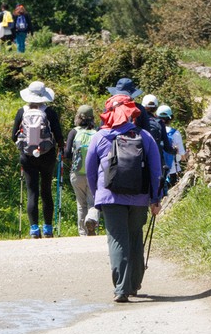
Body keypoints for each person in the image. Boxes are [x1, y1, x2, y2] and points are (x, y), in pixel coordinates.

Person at [85, 94, 164, 303]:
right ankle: (135, 284)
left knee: (118, 240)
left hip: (110, 197)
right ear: (132, 113)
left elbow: (90, 171)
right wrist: (155, 197)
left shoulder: (100, 137)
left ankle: (121, 289)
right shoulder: (145, 136)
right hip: (139, 198)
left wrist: (97, 195)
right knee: (135, 236)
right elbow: (156, 170)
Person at [12, 81, 65, 238]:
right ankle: (48, 228)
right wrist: (59, 147)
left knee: (32, 191)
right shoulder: (49, 112)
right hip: (47, 155)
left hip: (27, 156)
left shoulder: (22, 111)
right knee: (46, 190)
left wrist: (24, 148)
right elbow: (59, 136)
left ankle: (34, 229)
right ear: (44, 96)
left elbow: (13, 135)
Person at [63, 104, 98, 235]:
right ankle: (91, 221)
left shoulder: (74, 132)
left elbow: (67, 154)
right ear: (92, 118)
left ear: (78, 117)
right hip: (93, 173)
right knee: (92, 202)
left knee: (80, 203)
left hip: (77, 173)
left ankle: (82, 232)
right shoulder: (97, 133)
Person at [155, 104, 186, 186]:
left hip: (156, 168)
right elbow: (182, 154)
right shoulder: (175, 133)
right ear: (170, 118)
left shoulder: (152, 130)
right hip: (172, 170)